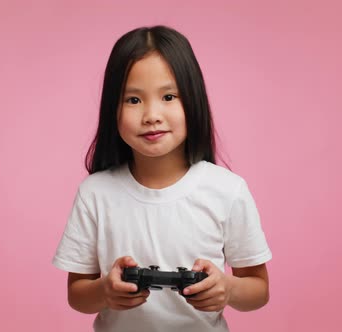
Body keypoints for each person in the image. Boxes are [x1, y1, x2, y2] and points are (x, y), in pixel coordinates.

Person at [52, 25, 272, 332]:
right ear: (111, 108)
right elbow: (77, 295)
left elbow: (258, 290)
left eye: (169, 96)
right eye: (133, 100)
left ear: (193, 101)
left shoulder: (227, 191)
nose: (152, 115)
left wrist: (228, 289)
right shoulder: (95, 194)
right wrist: (106, 291)